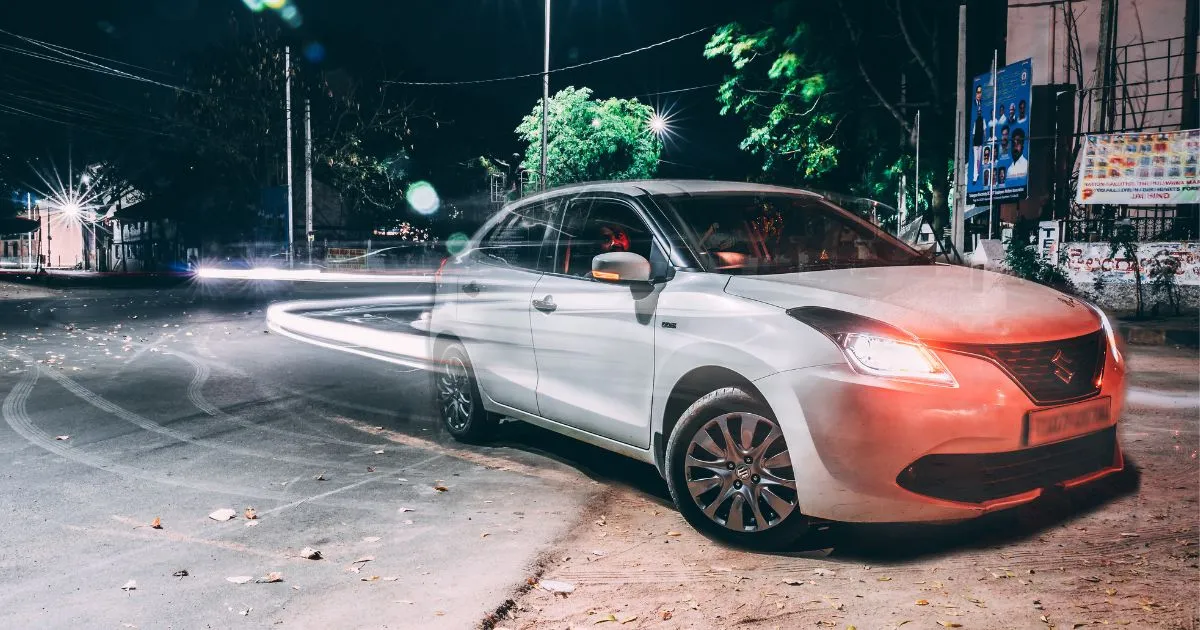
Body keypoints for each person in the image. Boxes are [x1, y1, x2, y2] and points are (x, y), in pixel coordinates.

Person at [971, 85, 984, 183]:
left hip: (980, 141)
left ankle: (978, 174)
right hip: (975, 141)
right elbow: (973, 132)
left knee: (979, 159)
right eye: (978, 92)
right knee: (976, 160)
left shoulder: (982, 118)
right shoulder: (973, 105)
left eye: (981, 92)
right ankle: (975, 177)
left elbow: (984, 131)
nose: (979, 94)